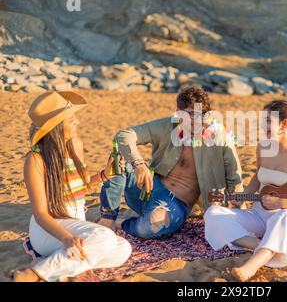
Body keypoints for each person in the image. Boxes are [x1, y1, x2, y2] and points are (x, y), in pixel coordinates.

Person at [97, 84, 243, 239]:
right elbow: (123, 136)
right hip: (145, 190)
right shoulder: (168, 125)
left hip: (176, 204)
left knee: (150, 227)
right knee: (118, 156)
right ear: (179, 113)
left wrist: (242, 208)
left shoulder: (219, 137)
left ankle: (123, 224)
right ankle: (108, 219)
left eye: (201, 115)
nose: (196, 120)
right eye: (190, 115)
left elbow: (235, 177)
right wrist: (139, 164)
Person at [13, 91, 131, 282]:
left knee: (123, 249)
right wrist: (66, 238)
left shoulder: (75, 146)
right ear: (57, 127)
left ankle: (64, 265)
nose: (77, 122)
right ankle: (34, 274)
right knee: (104, 237)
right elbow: (41, 214)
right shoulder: (35, 159)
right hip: (49, 229)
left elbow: (78, 190)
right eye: (71, 119)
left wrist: (104, 175)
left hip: (76, 224)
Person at [204, 100, 287, 282]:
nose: (262, 125)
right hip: (259, 216)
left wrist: (281, 203)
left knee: (283, 216)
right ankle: (267, 246)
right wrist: (243, 194)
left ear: (284, 125)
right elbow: (259, 176)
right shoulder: (263, 147)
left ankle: (250, 268)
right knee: (212, 213)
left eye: (268, 120)